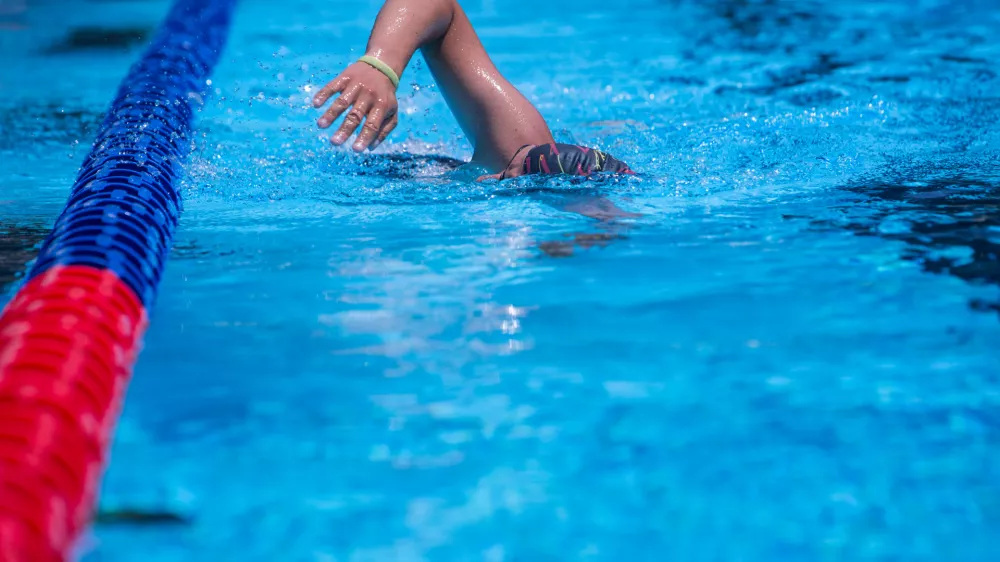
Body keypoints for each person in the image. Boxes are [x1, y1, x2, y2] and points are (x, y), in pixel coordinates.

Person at [312, 0, 635, 181]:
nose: (500, 175)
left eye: (514, 176)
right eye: (516, 169)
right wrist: (381, 65)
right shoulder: (516, 144)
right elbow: (436, 5)